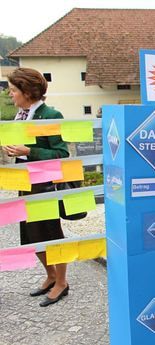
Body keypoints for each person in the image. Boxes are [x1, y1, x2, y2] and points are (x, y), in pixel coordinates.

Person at [3, 67, 70, 307]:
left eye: (13, 90)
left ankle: (62, 282)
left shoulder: (50, 114)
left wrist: (29, 151)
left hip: (44, 184)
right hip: (25, 183)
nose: (10, 95)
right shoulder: (20, 116)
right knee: (30, 236)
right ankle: (50, 275)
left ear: (27, 91)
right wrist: (13, 150)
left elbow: (62, 153)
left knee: (51, 234)